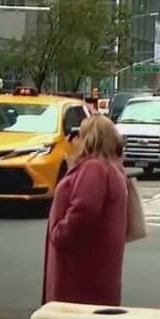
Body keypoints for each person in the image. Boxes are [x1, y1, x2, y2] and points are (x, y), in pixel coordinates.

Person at [43, 115, 128, 306]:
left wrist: (59, 234)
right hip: (98, 270)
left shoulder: (93, 168)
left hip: (79, 272)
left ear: (89, 138)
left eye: (80, 134)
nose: (75, 140)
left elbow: (84, 211)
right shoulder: (111, 168)